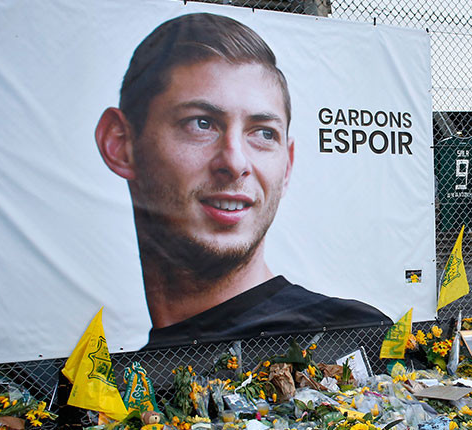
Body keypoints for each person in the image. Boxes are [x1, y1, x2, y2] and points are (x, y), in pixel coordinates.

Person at [95, 13, 391, 349]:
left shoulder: (352, 339)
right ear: (120, 144)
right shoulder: (104, 372)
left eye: (264, 133)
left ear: (287, 165)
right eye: (201, 124)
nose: (235, 163)